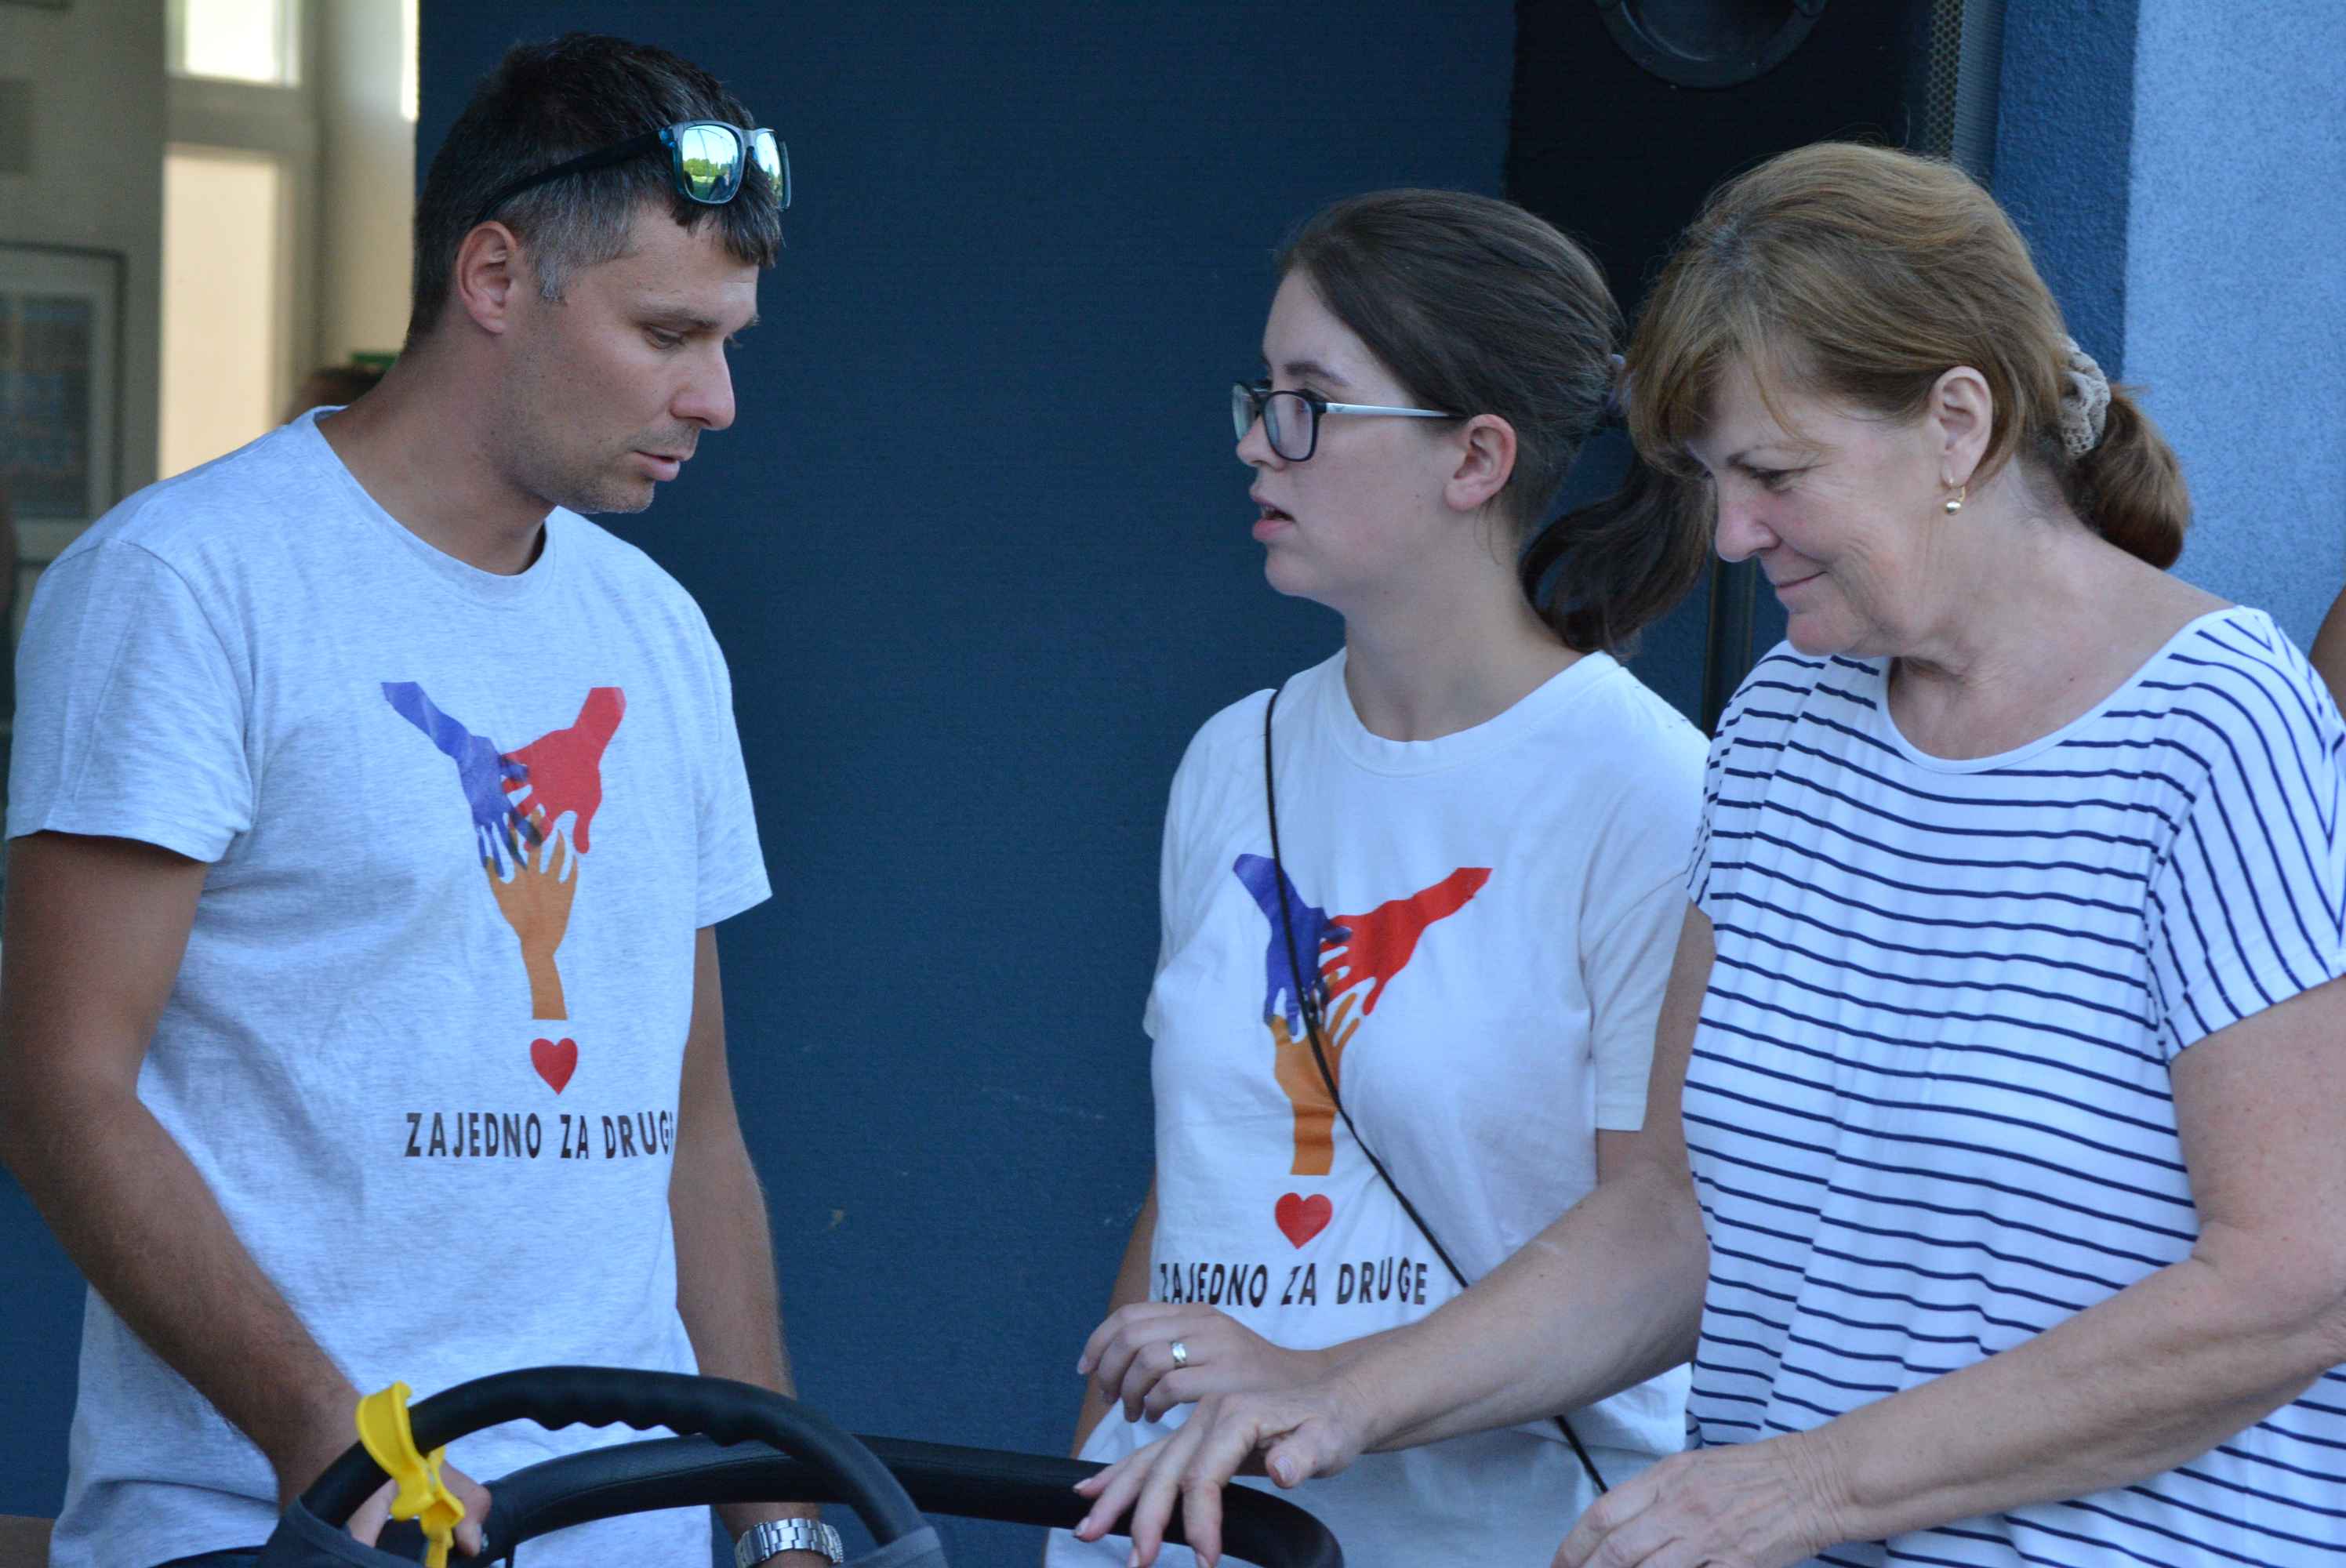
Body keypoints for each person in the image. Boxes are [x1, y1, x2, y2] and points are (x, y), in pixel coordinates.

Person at [1077, 142, 2346, 1568]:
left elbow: (2293, 1282)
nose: (1732, 534)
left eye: (1775, 474)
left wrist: (1805, 1488)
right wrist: (1341, 1395)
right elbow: (1674, 1217)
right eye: (1711, 477)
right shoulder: (1783, 725)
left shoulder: (2214, 719)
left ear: (1957, 424)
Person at [0, 34, 836, 1568]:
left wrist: (780, 1514)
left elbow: (691, 1131)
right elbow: (60, 1086)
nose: (714, 398)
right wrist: (349, 1457)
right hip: (272, 1525)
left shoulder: (655, 632)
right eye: (666, 332)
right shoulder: (185, 585)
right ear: (496, 278)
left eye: (728, 340)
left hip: (625, 1528)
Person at [1051, 190, 1713, 1568]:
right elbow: (1195, 1181)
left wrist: (1330, 1388)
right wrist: (1092, 1495)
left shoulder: (1651, 789)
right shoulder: (1235, 758)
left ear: (1474, 457)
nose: (1253, 441)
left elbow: (1669, 1239)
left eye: (1309, 400)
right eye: (1260, 390)